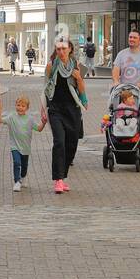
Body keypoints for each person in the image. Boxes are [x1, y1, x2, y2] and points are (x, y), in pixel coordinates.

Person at [44, 39, 87, 194]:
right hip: (55, 109)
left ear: (70, 49)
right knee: (59, 142)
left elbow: (81, 88)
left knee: (71, 144)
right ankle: (58, 180)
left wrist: (79, 78)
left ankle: (63, 175)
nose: (61, 52)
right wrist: (43, 109)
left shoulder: (77, 67)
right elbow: (46, 87)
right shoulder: (51, 66)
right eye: (58, 49)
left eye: (63, 48)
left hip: (72, 109)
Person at [0, 94, 46, 191]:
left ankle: (23, 177)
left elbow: (39, 129)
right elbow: (0, 120)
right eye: (18, 105)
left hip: (25, 147)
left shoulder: (30, 119)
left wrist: (44, 122)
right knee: (17, 162)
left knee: (24, 166)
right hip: (14, 146)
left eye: (23, 106)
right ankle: (17, 182)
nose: (20, 107)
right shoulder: (11, 117)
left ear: (27, 108)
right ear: (15, 105)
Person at [113, 30, 140, 118]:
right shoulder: (121, 54)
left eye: (134, 37)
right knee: (120, 117)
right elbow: (116, 70)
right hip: (124, 92)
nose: (131, 39)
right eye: (130, 37)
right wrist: (116, 81)